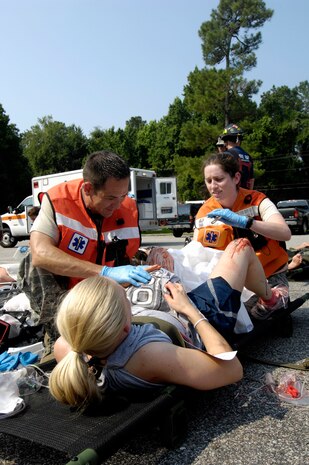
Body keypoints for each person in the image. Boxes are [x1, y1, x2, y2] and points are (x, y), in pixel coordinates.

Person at [49, 237, 280, 410]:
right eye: (124, 298)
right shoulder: (150, 356)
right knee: (241, 247)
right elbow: (231, 370)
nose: (126, 292)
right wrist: (188, 308)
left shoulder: (68, 346)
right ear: (126, 327)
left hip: (156, 312)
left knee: (157, 255)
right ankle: (270, 300)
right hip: (195, 314)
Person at [30, 150, 151, 289]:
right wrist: (104, 272)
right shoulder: (59, 201)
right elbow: (40, 253)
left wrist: (151, 255)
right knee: (29, 261)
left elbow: (129, 253)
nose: (118, 205)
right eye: (110, 198)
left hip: (109, 292)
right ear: (88, 189)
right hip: (67, 294)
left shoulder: (128, 208)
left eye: (123, 195)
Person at [193, 152, 292, 320]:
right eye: (208, 181)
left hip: (270, 276)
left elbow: (285, 233)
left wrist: (246, 223)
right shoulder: (205, 211)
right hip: (235, 281)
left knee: (256, 315)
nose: (213, 186)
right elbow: (195, 252)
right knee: (227, 316)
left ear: (236, 178)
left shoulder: (257, 200)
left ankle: (276, 302)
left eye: (219, 179)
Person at [220, 123, 254, 189]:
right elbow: (251, 180)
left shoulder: (225, 155)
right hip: (245, 195)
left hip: (231, 194)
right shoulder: (248, 157)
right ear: (239, 141)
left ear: (225, 141)